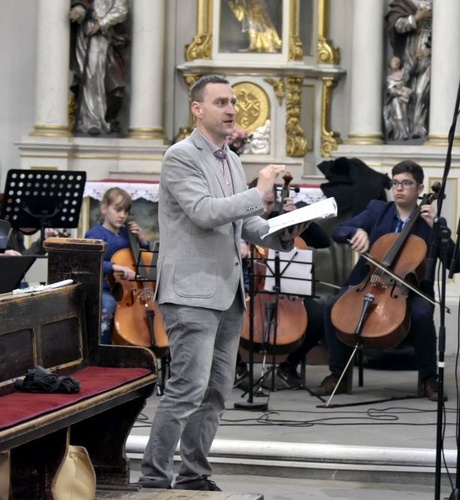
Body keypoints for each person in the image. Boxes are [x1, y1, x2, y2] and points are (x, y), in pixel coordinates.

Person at [137, 75, 305, 492]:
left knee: (214, 392)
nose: (232, 109)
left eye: (233, 102)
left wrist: (282, 230)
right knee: (186, 389)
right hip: (191, 290)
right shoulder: (180, 156)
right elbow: (203, 212)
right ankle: (155, 477)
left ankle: (194, 474)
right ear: (197, 109)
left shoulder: (230, 160)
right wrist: (260, 190)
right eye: (221, 102)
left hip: (228, 293)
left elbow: (244, 225)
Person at [312, 160, 460, 401]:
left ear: (420, 188)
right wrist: (356, 232)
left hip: (409, 290)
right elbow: (339, 231)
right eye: (395, 183)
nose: (399, 188)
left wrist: (436, 228)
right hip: (368, 282)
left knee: (423, 315)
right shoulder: (377, 210)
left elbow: (456, 264)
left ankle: (429, 379)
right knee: (332, 306)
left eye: (406, 183)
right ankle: (337, 376)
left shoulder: (431, 224)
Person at [243, 178, 330, 388]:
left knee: (319, 316)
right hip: (247, 290)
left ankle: (289, 366)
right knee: (227, 312)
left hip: (286, 291)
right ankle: (238, 369)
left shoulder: (280, 219)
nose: (264, 209)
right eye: (261, 202)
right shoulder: (239, 221)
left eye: (271, 204)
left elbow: (323, 242)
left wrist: (299, 217)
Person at [84, 187, 148, 345]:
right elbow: (91, 261)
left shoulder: (128, 235)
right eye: (118, 210)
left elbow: (142, 260)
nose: (122, 215)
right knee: (108, 304)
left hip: (128, 290)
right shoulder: (95, 234)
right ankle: (103, 347)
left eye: (126, 212)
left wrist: (143, 241)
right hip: (104, 288)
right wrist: (114, 267)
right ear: (104, 208)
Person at [69, 0, 128, 136]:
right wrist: (79, 11)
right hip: (85, 33)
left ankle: (97, 120)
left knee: (95, 76)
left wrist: (101, 24)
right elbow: (84, 4)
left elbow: (121, 10)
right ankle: (87, 121)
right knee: (87, 76)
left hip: (101, 35)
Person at [386, 0, 432, 139]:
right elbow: (396, 26)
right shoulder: (403, 2)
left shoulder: (434, 4)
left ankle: (419, 127)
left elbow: (445, 29)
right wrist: (416, 18)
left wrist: (430, 49)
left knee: (421, 91)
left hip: (427, 50)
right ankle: (405, 130)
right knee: (408, 92)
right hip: (409, 49)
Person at [383, 56, 413, 141]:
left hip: (406, 99)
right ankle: (401, 133)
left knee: (405, 116)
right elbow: (391, 90)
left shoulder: (404, 74)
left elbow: (406, 84)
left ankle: (406, 132)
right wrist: (401, 93)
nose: (396, 63)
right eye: (394, 61)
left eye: (398, 61)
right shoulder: (389, 78)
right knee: (398, 115)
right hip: (396, 98)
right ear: (390, 63)